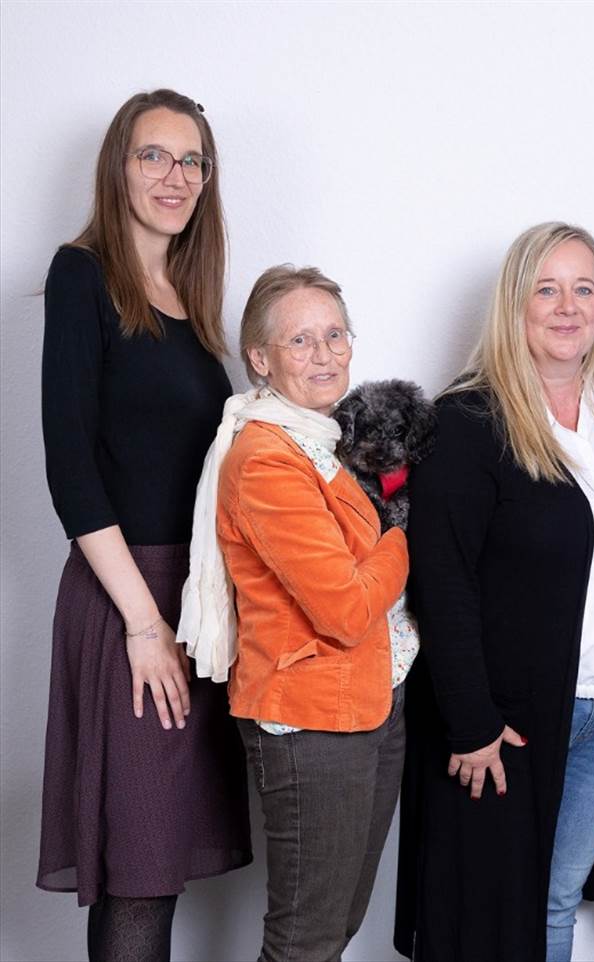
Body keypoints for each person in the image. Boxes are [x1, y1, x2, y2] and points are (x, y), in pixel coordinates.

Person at [394, 223, 594, 961]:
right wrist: (471, 722)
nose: (568, 307)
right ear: (515, 305)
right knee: (491, 919)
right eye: (547, 289)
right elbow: (441, 581)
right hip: (507, 722)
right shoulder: (469, 422)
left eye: (584, 289)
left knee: (552, 904)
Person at [37, 88, 251, 962]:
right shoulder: (82, 275)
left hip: (192, 603)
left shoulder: (192, 300)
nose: (176, 175)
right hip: (129, 598)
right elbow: (70, 471)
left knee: (156, 864)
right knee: (140, 874)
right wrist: (142, 622)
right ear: (117, 168)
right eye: (153, 155)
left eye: (192, 159)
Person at [193, 265, 411, 962]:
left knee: (338, 926)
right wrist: (406, 532)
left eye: (335, 335)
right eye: (300, 340)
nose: (325, 355)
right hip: (313, 720)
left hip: (372, 700)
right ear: (259, 358)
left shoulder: (325, 439)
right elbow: (344, 608)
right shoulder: (266, 457)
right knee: (304, 943)